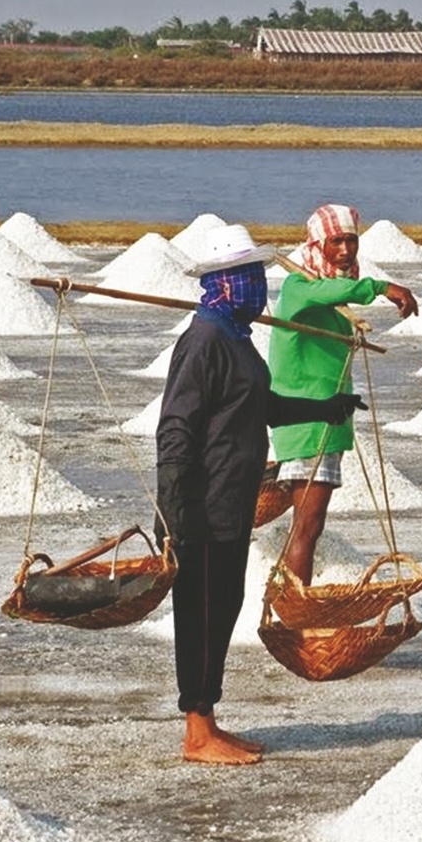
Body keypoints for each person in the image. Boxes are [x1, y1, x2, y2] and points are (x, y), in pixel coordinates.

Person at [157, 223, 362, 765]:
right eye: (248, 278)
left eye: (256, 277)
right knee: (200, 613)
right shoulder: (202, 340)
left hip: (232, 501)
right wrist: (172, 509)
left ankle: (209, 719)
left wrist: (323, 409)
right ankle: (196, 733)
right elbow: (175, 428)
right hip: (200, 505)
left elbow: (262, 407)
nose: (258, 287)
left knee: (224, 605)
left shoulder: (236, 338)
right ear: (223, 284)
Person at [268, 204, 418, 586]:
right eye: (336, 241)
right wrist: (382, 287)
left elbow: (335, 290)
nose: (345, 249)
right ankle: (293, 607)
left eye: (352, 240)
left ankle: (291, 600)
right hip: (307, 424)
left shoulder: (328, 294)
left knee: (309, 526)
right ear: (318, 244)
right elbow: (329, 289)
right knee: (308, 526)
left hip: (326, 422)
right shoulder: (300, 288)